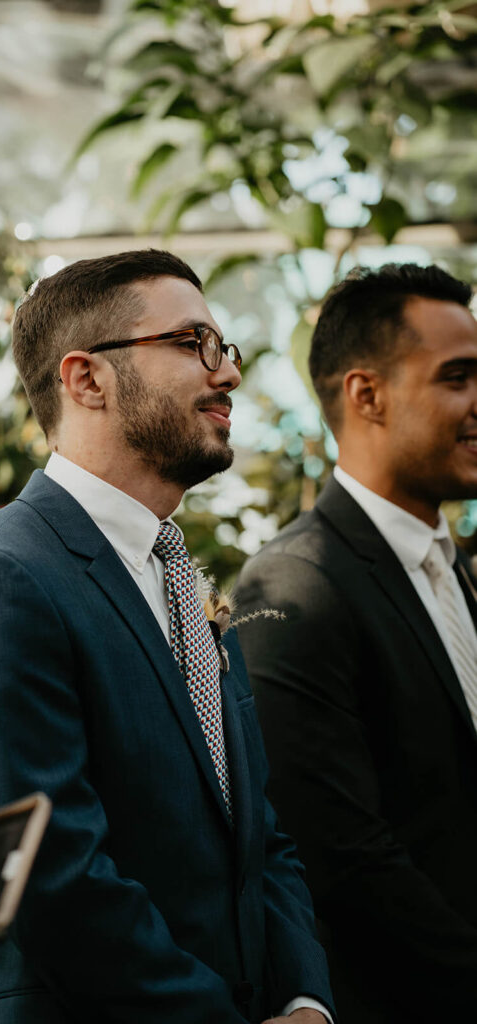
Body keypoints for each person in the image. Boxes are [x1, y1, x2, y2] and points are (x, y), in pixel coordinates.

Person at [0, 250, 334, 1024]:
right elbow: (47, 878)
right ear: (86, 379)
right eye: (189, 343)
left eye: (223, 349)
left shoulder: (182, 580)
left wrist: (304, 999)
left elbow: (258, 837)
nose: (227, 374)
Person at [235, 263, 477, 1024]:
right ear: (364, 395)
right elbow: (344, 860)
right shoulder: (297, 586)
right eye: (457, 378)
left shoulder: (457, 569)